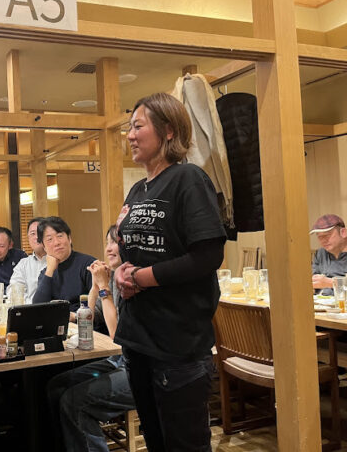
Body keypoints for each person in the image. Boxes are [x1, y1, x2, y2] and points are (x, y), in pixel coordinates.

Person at [114, 92, 226, 452]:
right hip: (138, 338)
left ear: (169, 131)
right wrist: (120, 274)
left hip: (177, 343)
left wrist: (139, 278)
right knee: (156, 442)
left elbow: (207, 256)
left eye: (138, 126)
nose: (130, 135)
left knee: (185, 445)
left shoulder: (188, 178)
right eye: (129, 127)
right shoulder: (138, 189)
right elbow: (130, 254)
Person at [47, 226, 135, 452]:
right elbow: (90, 315)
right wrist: (96, 285)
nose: (109, 248)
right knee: (56, 385)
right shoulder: (114, 275)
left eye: (115, 242)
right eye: (107, 243)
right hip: (119, 360)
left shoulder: (131, 280)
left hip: (138, 368)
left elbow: (117, 335)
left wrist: (104, 287)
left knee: (73, 402)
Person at [32, 216, 95, 314]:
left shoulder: (88, 265)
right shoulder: (46, 273)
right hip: (56, 323)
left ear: (69, 238)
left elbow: (98, 305)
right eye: (50, 239)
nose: (56, 243)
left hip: (83, 321)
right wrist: (49, 271)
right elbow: (37, 308)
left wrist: (74, 316)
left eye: (60, 236)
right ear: (44, 246)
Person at [310, 214, 347, 295]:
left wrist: (330, 283)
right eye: (320, 237)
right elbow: (313, 282)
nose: (323, 240)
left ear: (343, 232)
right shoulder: (320, 253)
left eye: (327, 235)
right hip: (323, 301)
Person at [7, 217, 47, 303]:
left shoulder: (59, 260)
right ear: (28, 238)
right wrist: (33, 305)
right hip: (27, 310)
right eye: (32, 234)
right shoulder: (23, 264)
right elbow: (13, 292)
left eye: (40, 233)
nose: (37, 237)